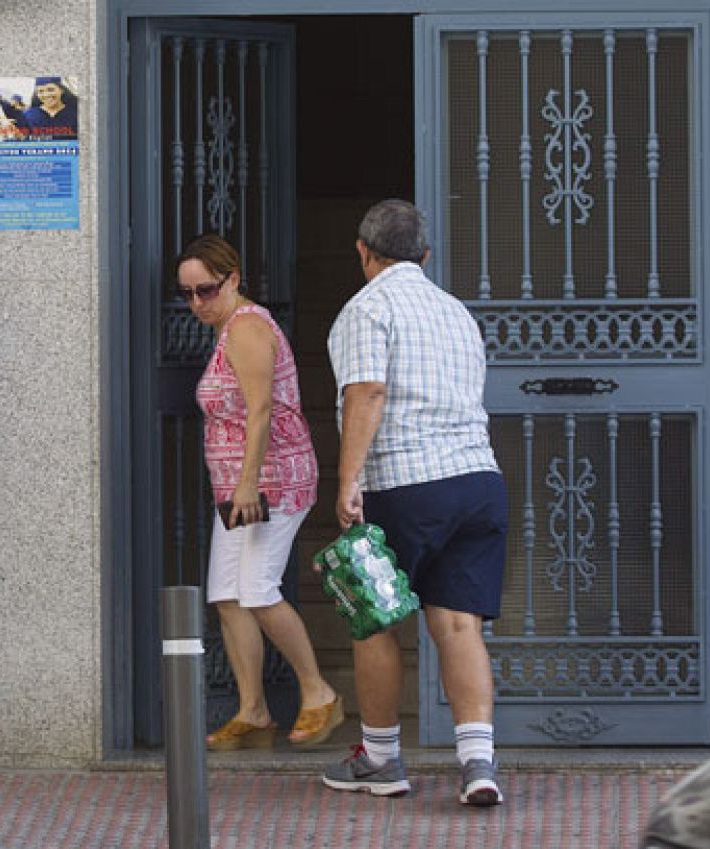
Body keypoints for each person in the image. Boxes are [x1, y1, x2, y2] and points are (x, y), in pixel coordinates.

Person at [323, 199, 507, 807]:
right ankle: (478, 763)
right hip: (477, 479)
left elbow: (367, 392)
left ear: (362, 251)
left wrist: (348, 480)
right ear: (424, 255)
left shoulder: (367, 308)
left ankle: (380, 758)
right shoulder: (457, 313)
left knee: (375, 618)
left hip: (405, 481)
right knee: (458, 623)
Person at [177, 234, 343, 750]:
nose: (196, 303)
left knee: (257, 591)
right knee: (227, 594)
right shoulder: (228, 329)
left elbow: (262, 411)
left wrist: (248, 482)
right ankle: (253, 709)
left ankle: (319, 694)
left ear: (232, 279)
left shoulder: (248, 328)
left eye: (205, 290)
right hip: (238, 488)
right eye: (186, 293)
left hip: (273, 483)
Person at [21, 76, 79, 140]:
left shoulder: (75, 114)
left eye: (50, 90)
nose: (46, 95)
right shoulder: (28, 116)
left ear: (61, 90)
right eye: (40, 91)